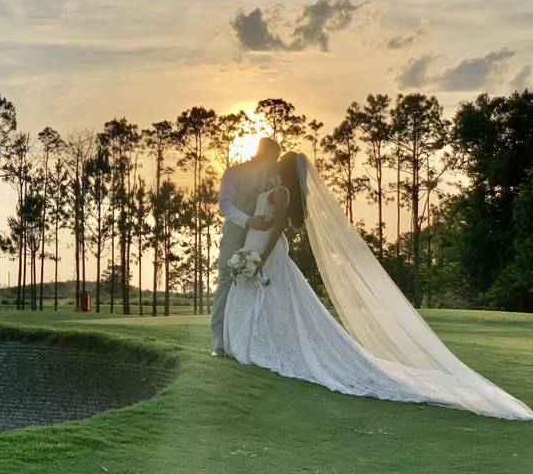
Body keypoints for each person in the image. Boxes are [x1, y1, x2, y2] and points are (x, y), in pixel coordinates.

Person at [219, 151, 533, 420]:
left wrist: (261, 257)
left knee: (274, 300)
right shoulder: (276, 188)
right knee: (266, 301)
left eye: (278, 162)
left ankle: (265, 346)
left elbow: (276, 230)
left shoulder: (283, 193)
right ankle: (256, 343)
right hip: (254, 248)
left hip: (266, 253)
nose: (272, 165)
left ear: (284, 168)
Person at [209, 137, 279, 357]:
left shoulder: (273, 178)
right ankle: (219, 342)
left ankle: (250, 340)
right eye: (273, 157)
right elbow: (224, 205)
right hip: (235, 231)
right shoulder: (234, 172)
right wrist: (248, 220)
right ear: (263, 154)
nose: (274, 161)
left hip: (260, 235)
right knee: (227, 280)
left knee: (257, 280)